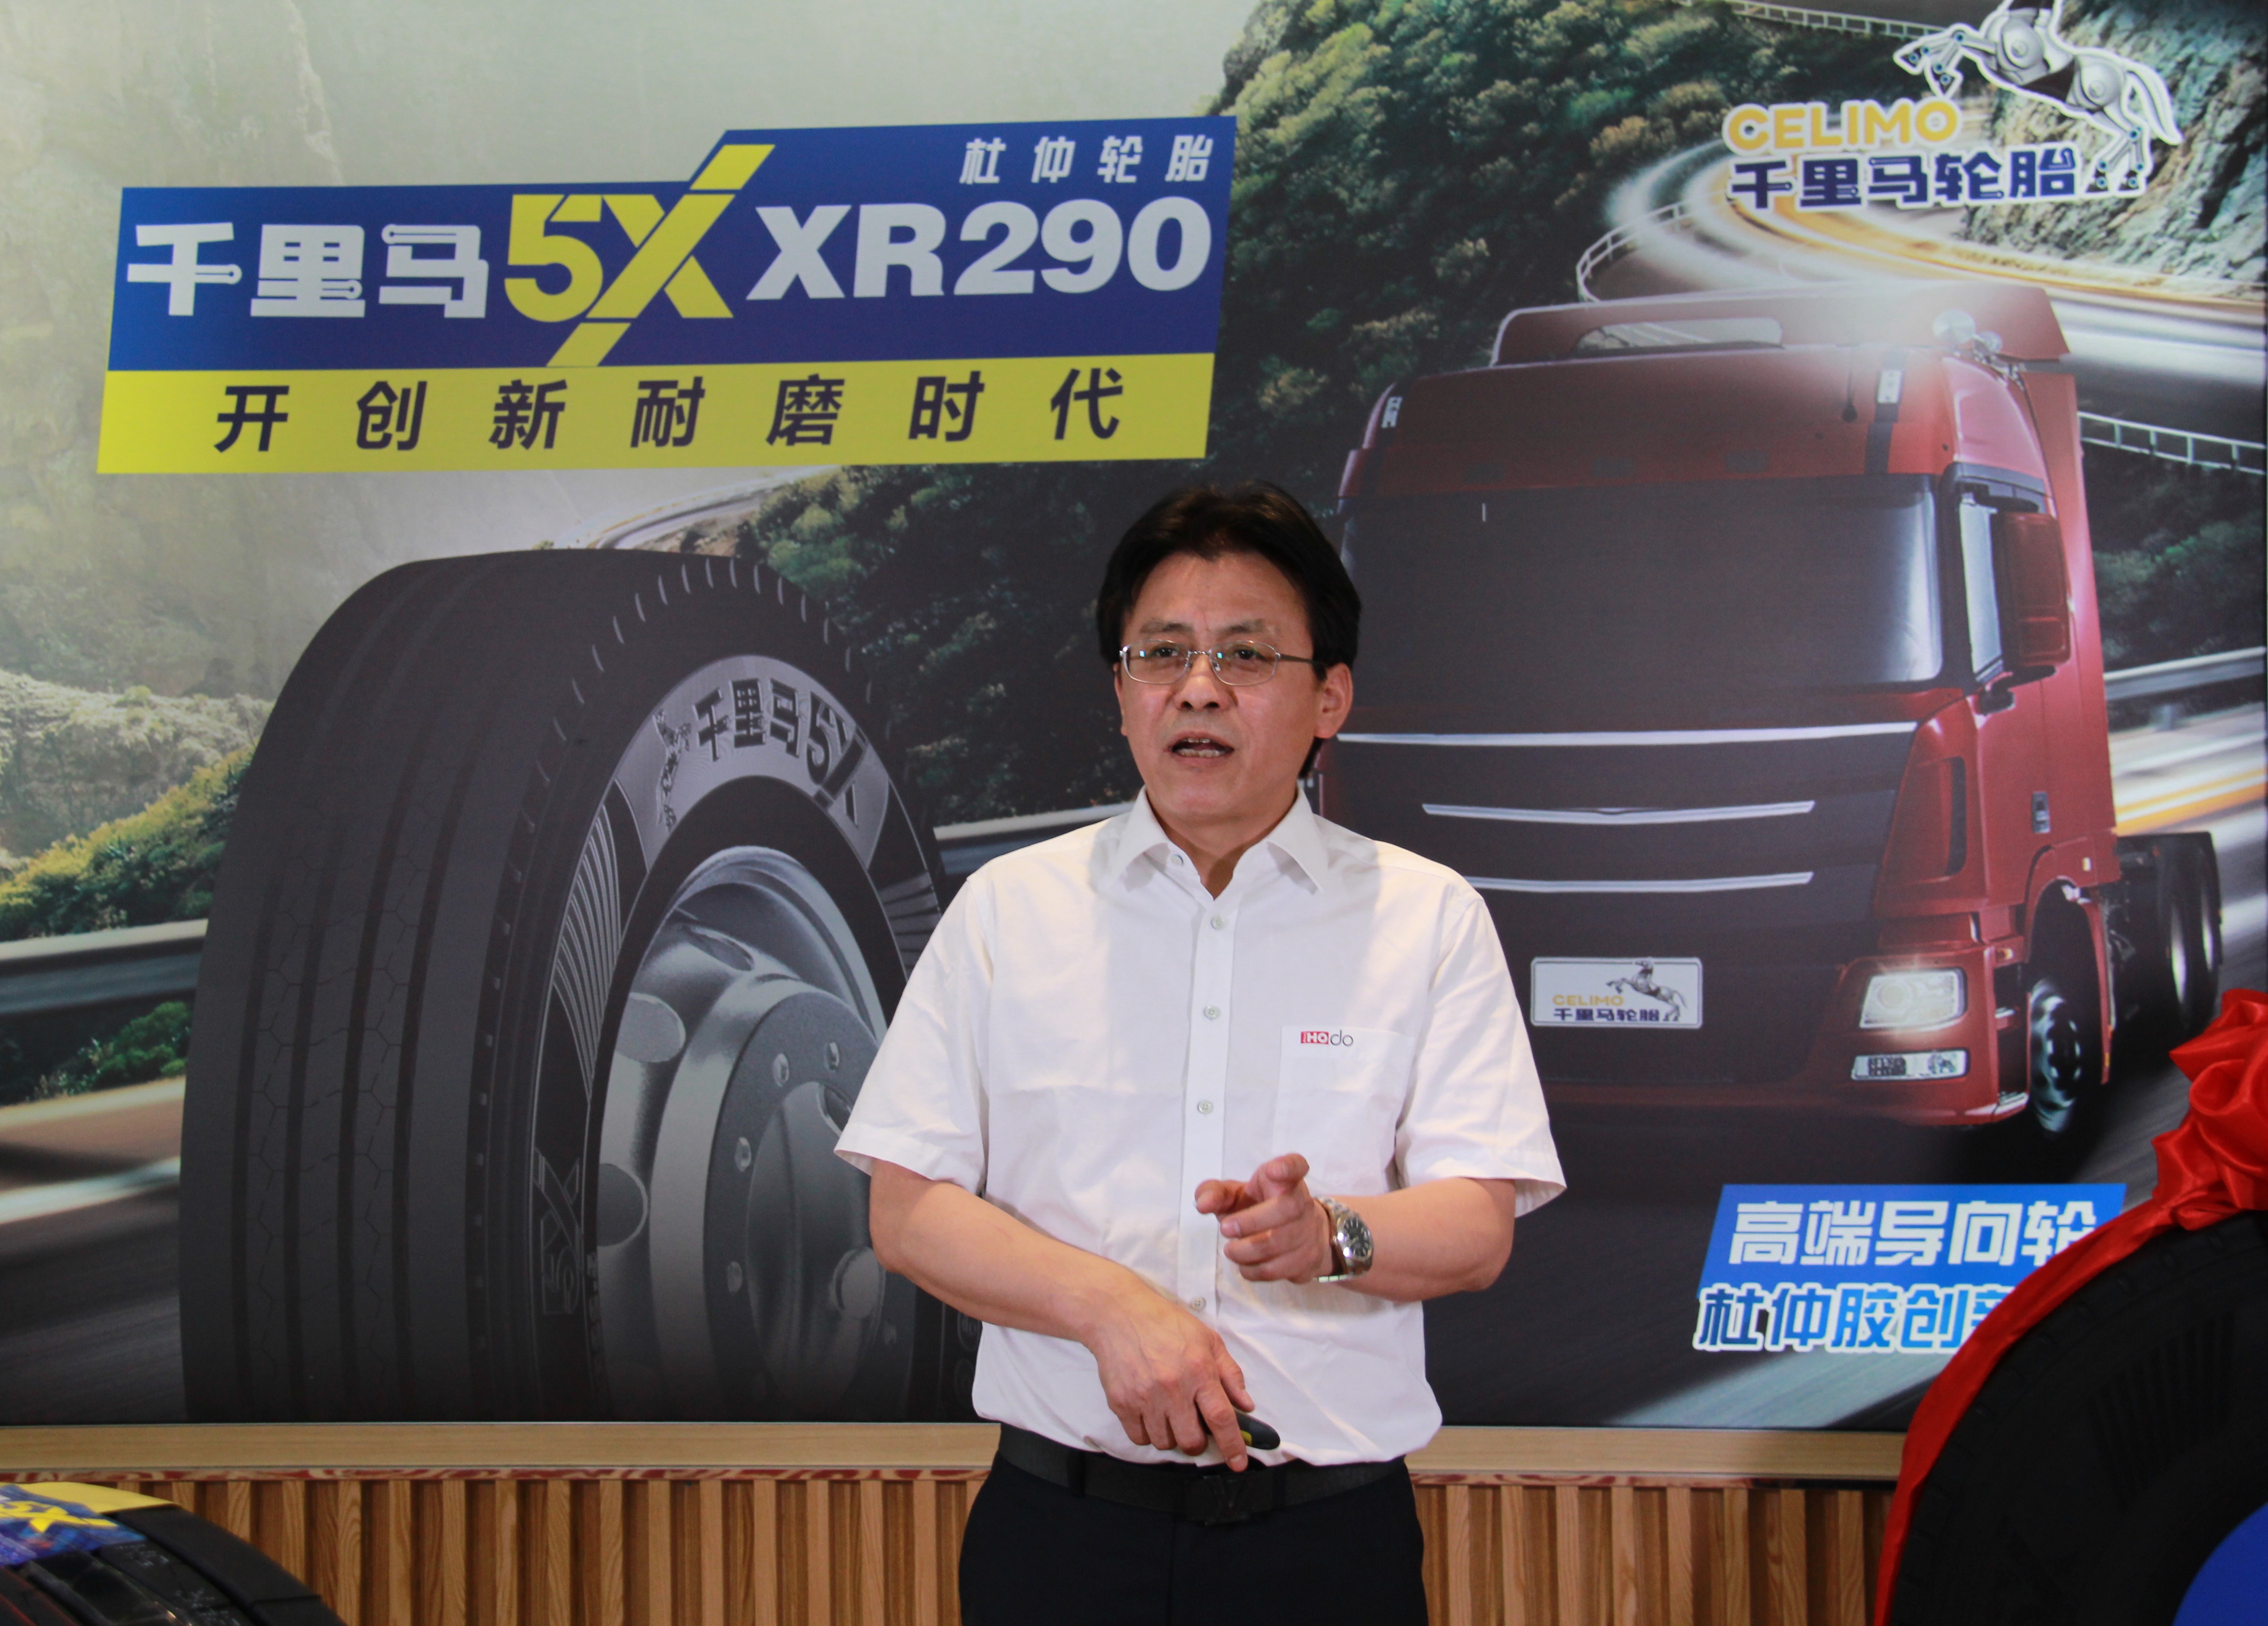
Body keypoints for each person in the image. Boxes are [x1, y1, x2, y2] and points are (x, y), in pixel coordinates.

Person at [835, 481, 1564, 1625]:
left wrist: (1331, 1235)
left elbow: (1477, 1224)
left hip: (1327, 1544)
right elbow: (909, 1208)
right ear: (1122, 693)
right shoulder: (1009, 911)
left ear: (1331, 697)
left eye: (1247, 655)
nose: (1199, 688)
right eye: (1162, 653)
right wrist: (1111, 1308)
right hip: (1062, 1536)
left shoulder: (1425, 916)